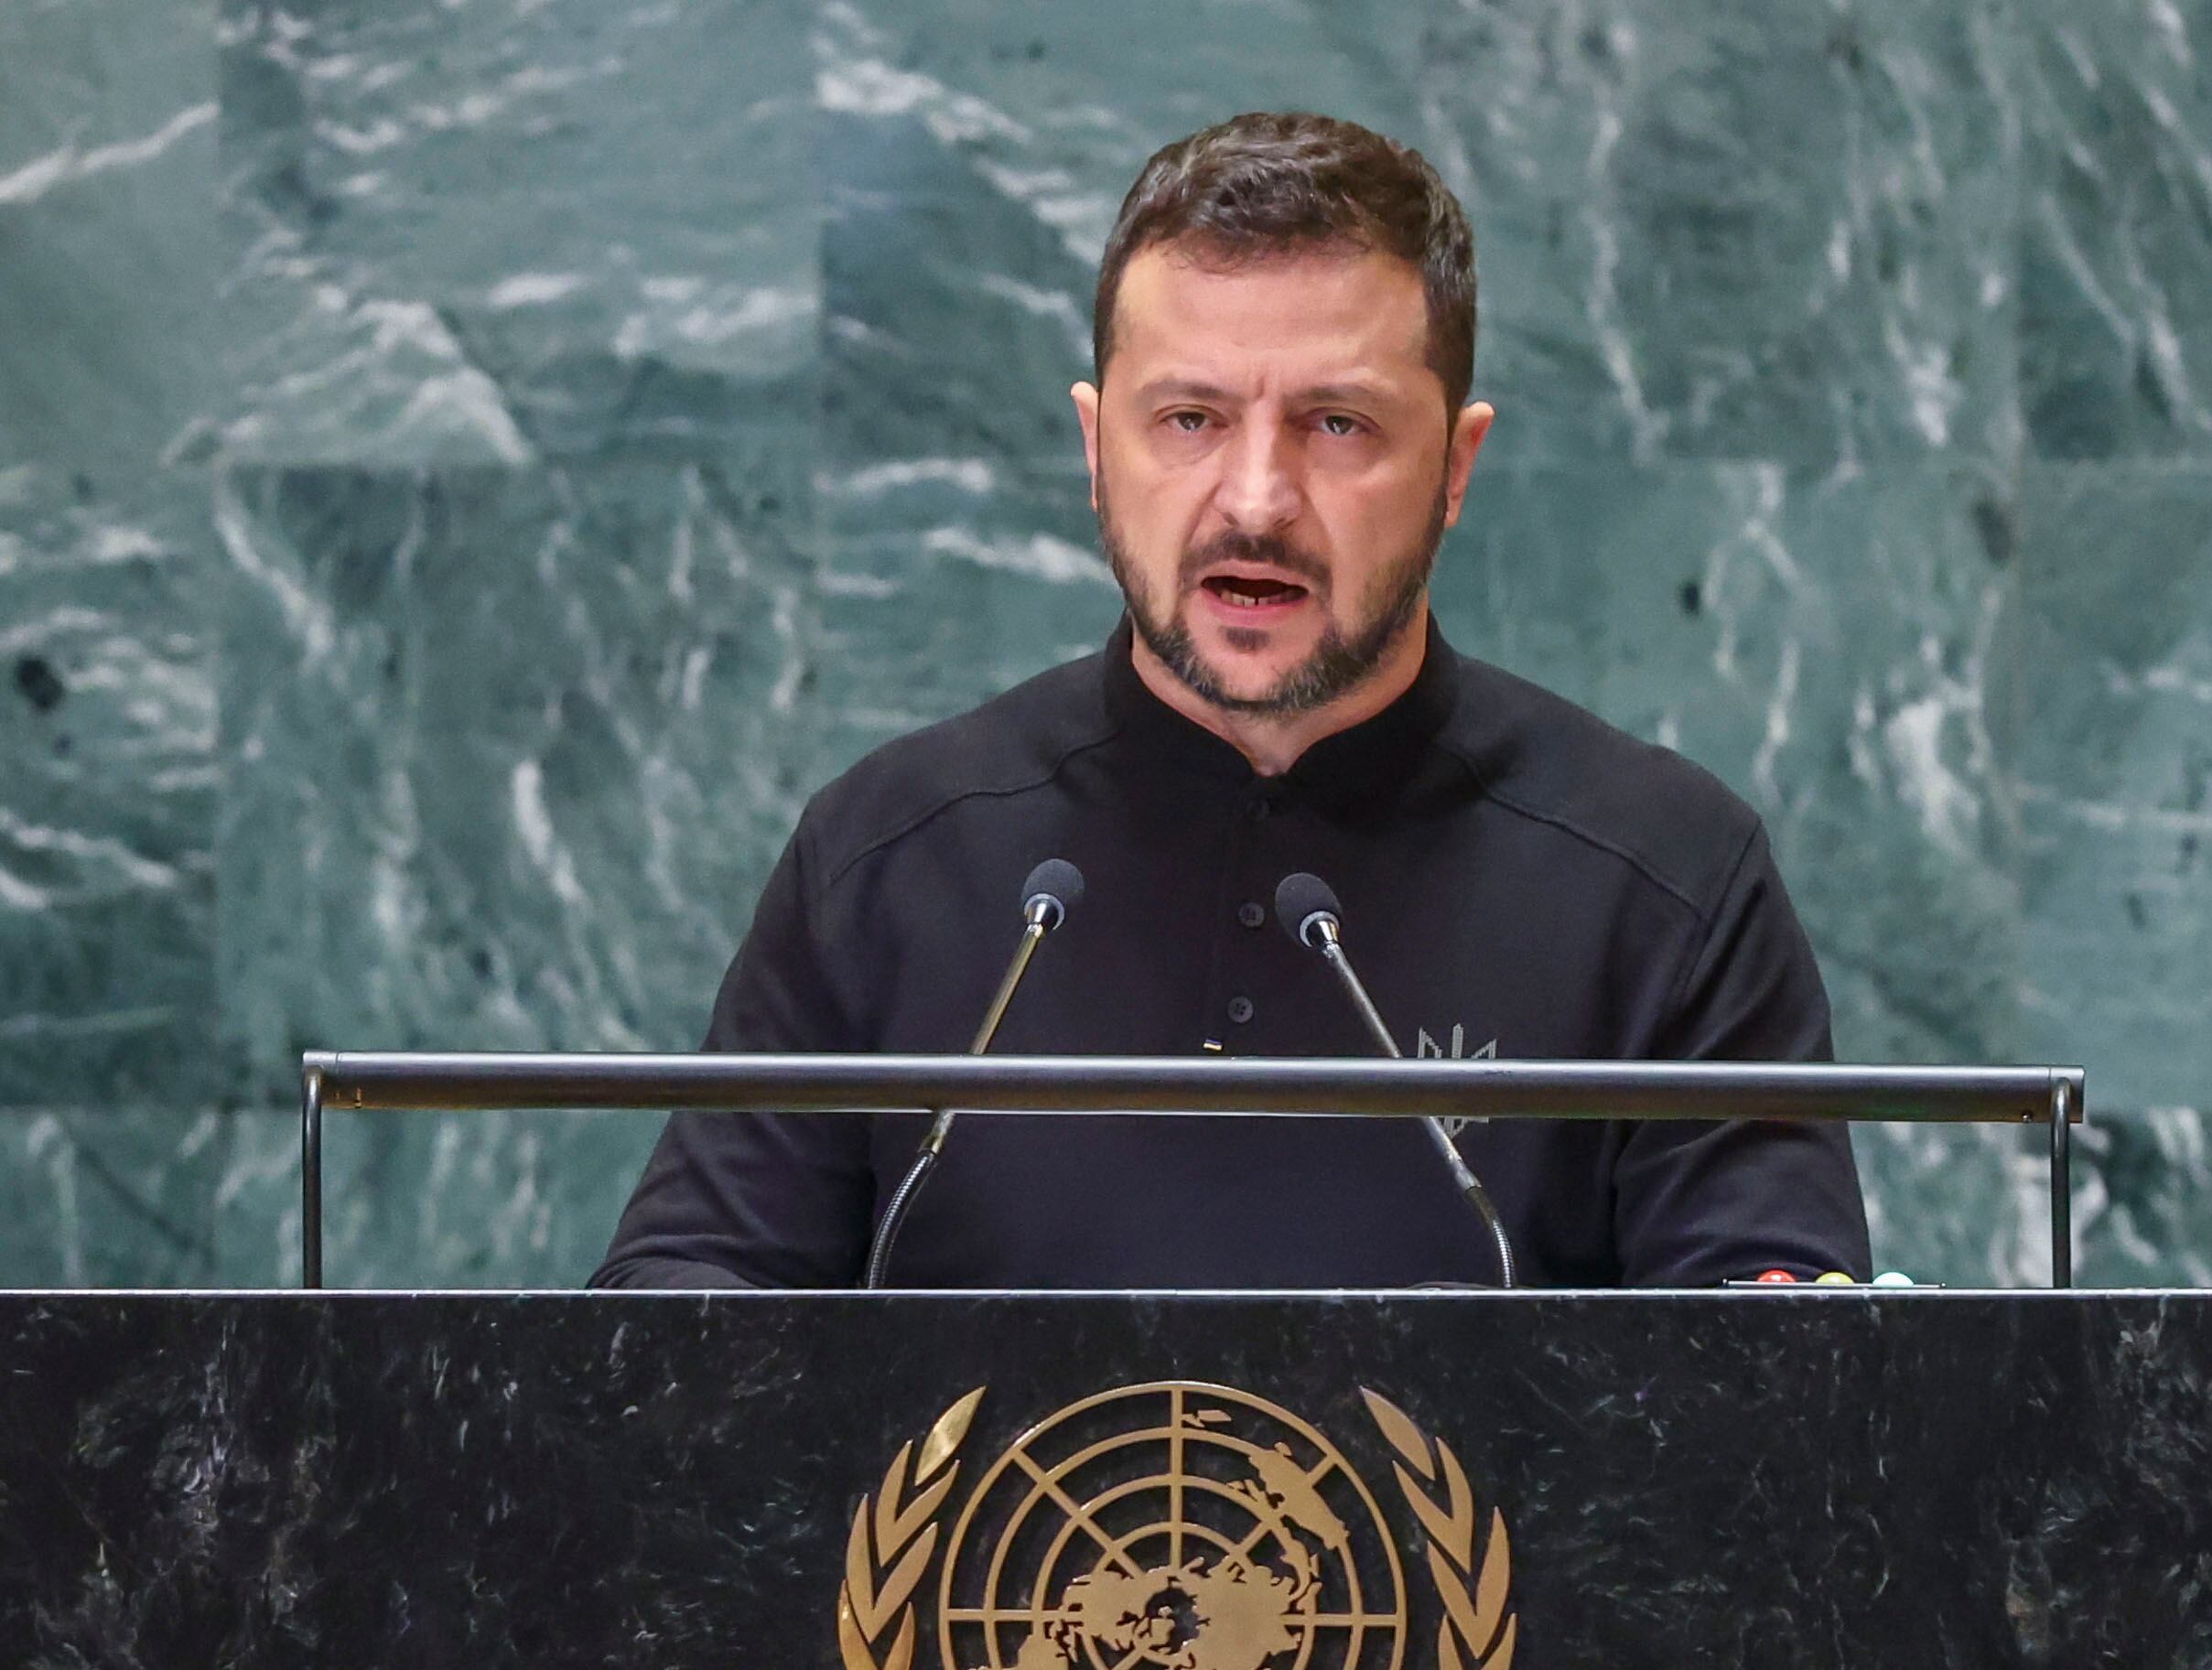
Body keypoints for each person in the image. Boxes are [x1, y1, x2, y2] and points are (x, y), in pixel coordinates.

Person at [593, 111, 1869, 1290]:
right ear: (1097, 453)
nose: (1255, 499)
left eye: (1336, 426)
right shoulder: (883, 857)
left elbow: (1765, 1427)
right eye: (1190, 418)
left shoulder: (1668, 883)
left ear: (1456, 465)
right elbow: (678, 1342)